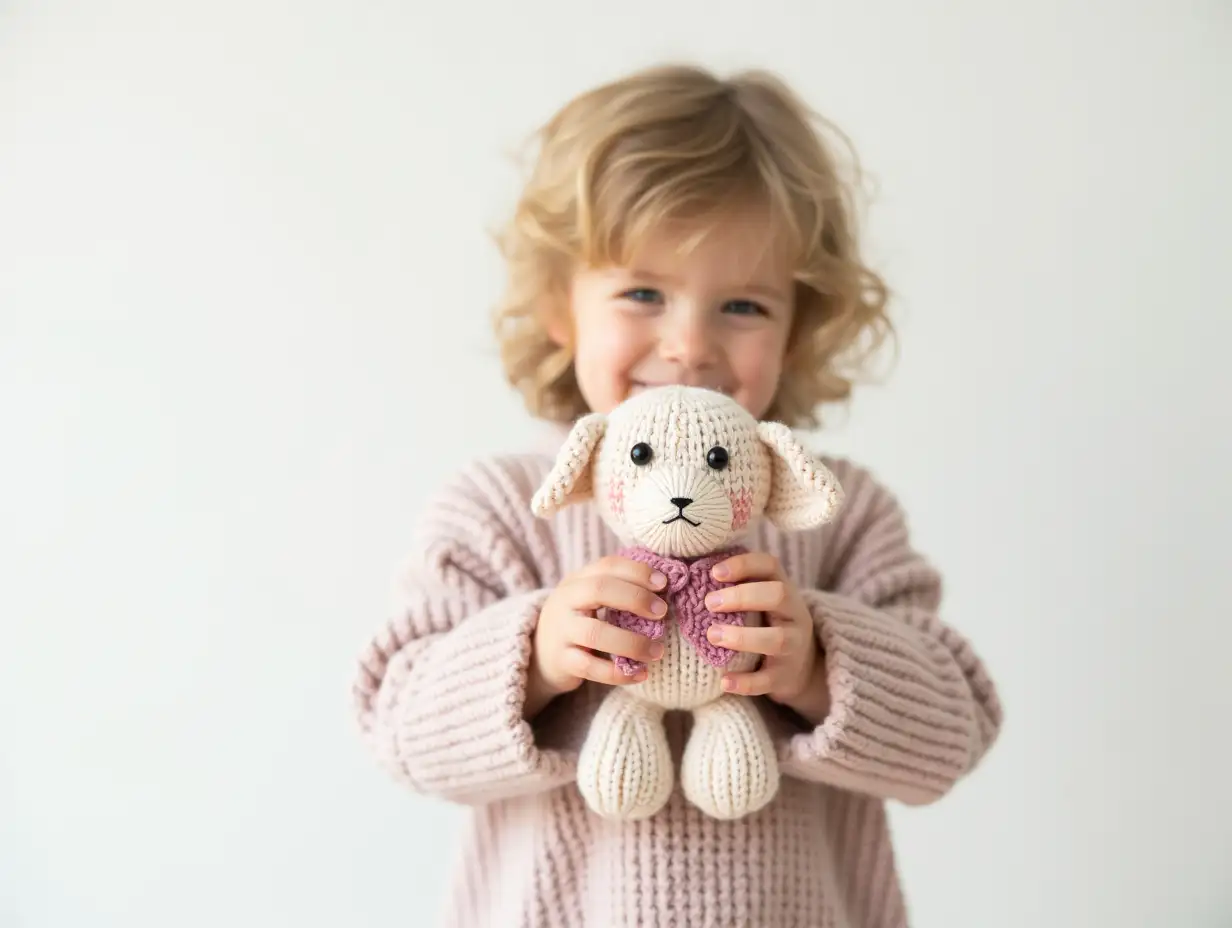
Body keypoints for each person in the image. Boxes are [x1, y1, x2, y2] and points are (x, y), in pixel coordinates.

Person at [352, 63, 1003, 928]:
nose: (689, 345)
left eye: (742, 304)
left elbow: (954, 732)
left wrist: (817, 664)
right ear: (560, 306)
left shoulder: (844, 513)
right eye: (643, 294)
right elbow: (397, 725)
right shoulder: (503, 508)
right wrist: (537, 656)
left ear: (798, 328)